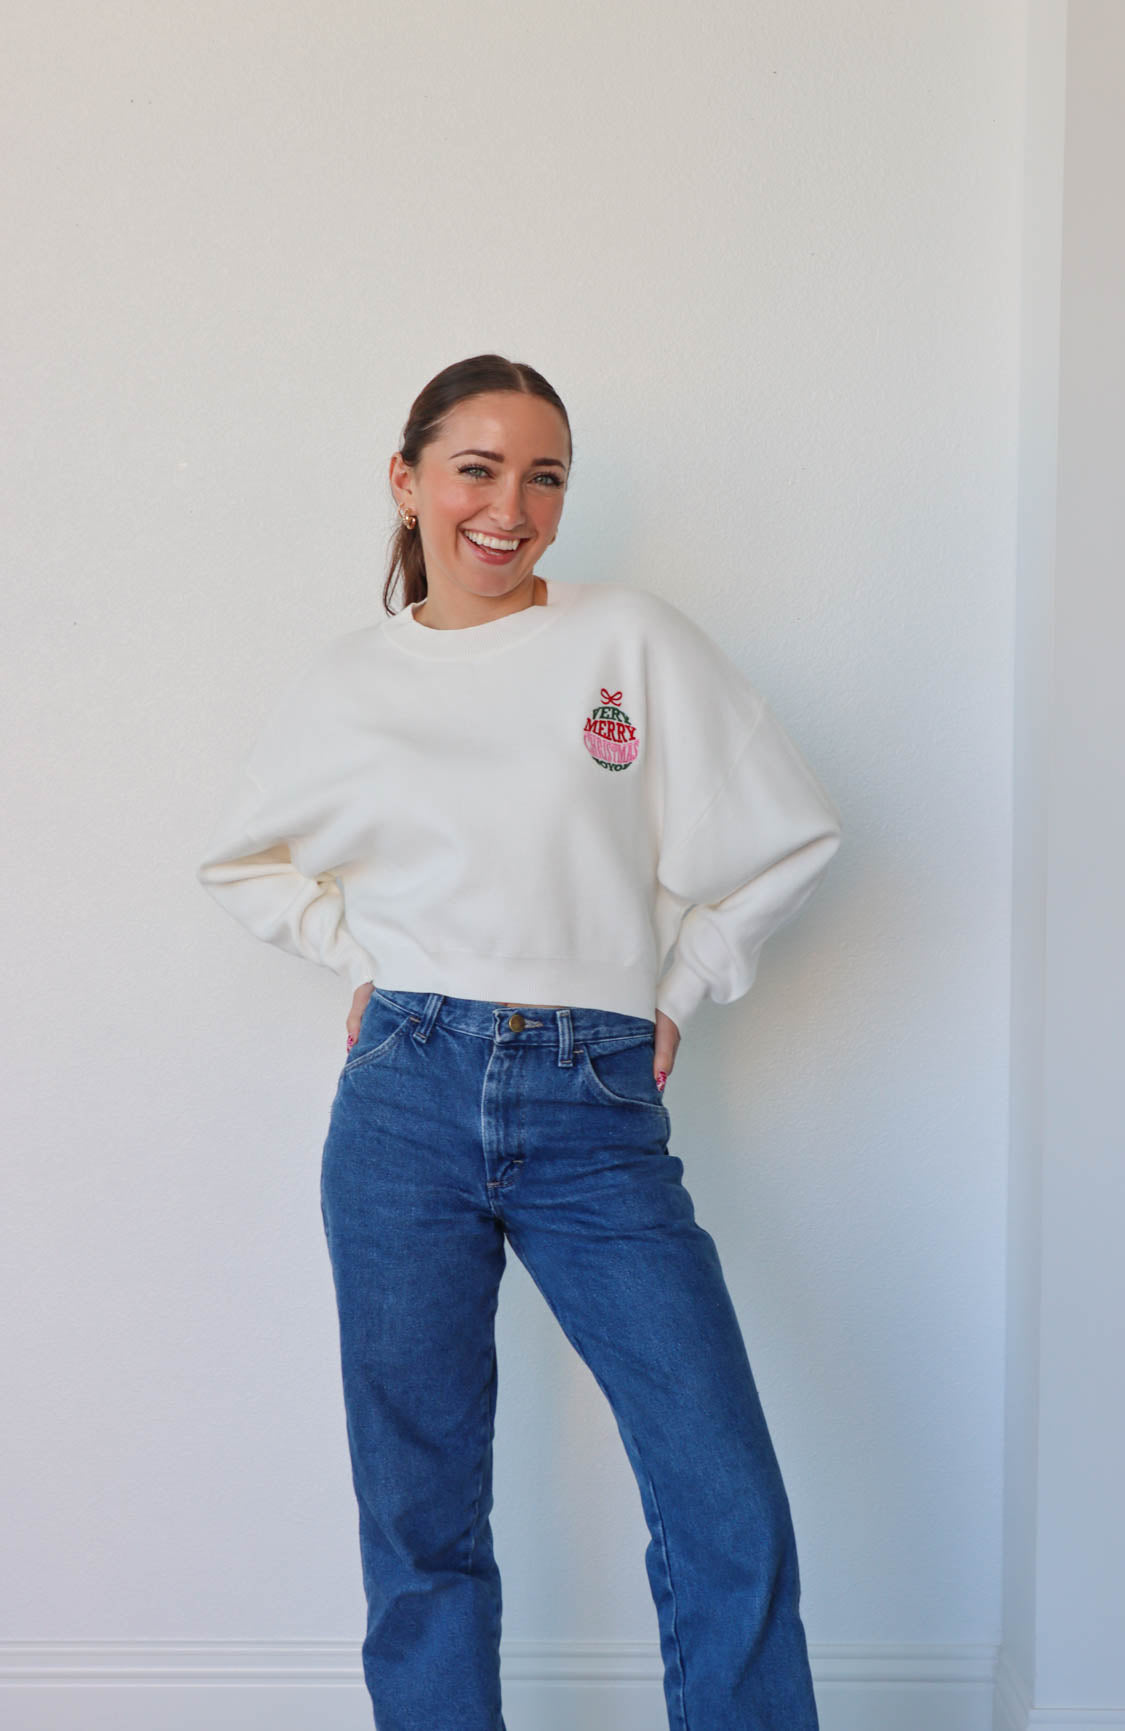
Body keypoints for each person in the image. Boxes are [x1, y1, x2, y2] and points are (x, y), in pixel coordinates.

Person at [195, 352, 842, 1731]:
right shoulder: (348, 683)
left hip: (594, 1097)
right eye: (476, 469)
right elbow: (239, 863)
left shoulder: (628, 641)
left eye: (543, 475)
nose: (509, 506)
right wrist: (355, 963)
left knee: (720, 1496)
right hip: (403, 1102)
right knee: (420, 1508)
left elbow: (789, 834)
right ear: (409, 480)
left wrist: (684, 979)